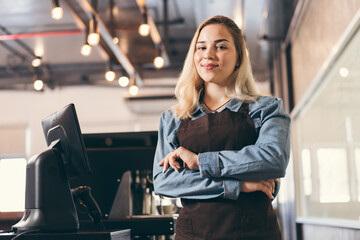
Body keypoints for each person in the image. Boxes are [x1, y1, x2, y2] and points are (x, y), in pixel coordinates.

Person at [153, 15, 290, 240]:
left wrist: (199, 162)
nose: (208, 54)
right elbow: (165, 181)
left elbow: (273, 159)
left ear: (239, 57)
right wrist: (238, 185)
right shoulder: (173, 118)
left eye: (221, 46)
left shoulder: (267, 108)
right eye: (202, 47)